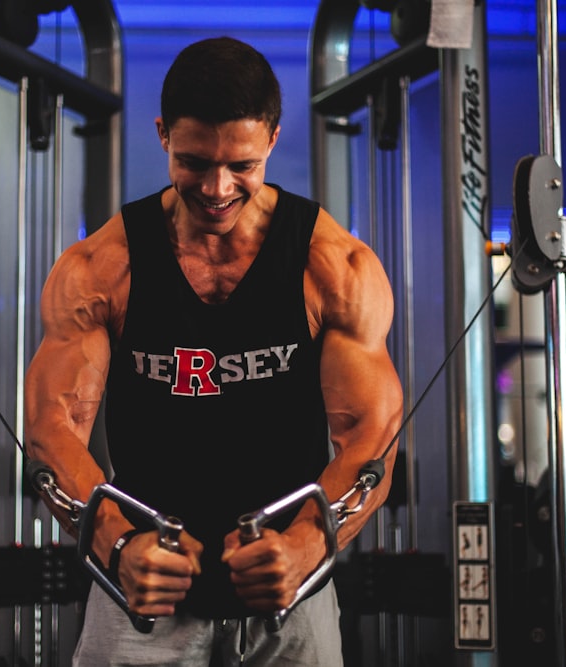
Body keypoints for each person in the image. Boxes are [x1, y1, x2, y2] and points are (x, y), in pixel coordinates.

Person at [24, 36, 403, 666]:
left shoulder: (334, 268)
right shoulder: (100, 268)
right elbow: (51, 431)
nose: (218, 187)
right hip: (139, 595)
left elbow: (372, 436)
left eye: (242, 166)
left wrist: (307, 545)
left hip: (292, 593)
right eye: (195, 161)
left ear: (273, 140)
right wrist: (119, 548)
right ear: (163, 134)